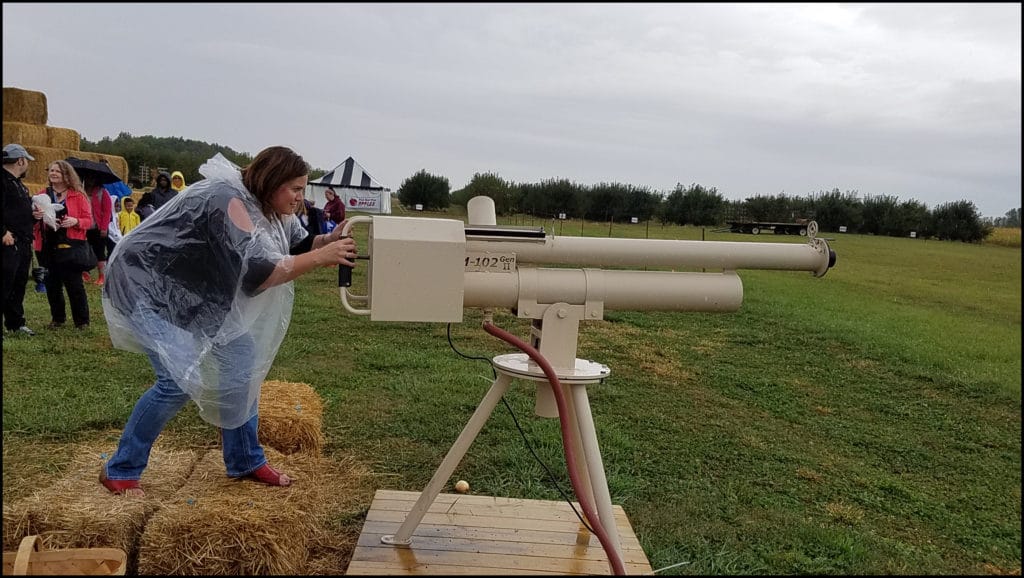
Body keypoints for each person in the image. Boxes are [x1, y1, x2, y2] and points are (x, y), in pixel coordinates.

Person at [100, 147, 358, 497]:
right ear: (271, 181)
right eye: (295, 189)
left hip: (194, 292)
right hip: (145, 285)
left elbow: (294, 243)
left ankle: (245, 459)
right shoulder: (228, 200)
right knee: (176, 382)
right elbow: (257, 272)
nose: (300, 198)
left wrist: (325, 241)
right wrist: (319, 258)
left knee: (240, 363)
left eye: (303, 189)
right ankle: (122, 469)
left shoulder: (267, 206)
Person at [32, 160, 93, 330]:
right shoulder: (42, 194)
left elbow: (89, 221)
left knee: (74, 284)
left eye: (57, 171)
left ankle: (82, 321)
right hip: (46, 244)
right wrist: (37, 216)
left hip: (70, 245)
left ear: (66, 174)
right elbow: (32, 220)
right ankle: (58, 318)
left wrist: (76, 221)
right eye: (51, 170)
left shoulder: (78, 195)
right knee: (52, 283)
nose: (53, 173)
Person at [2, 143, 37, 337]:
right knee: (5, 283)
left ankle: (15, 322)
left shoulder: (18, 184)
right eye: (26, 162)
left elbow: (18, 212)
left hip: (22, 241)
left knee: (18, 283)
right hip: (8, 241)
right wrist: (3, 232)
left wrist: (34, 217)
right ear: (20, 161)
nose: (27, 166)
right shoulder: (4, 181)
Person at [83, 177, 112, 285]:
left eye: (92, 179)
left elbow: (107, 211)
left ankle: (102, 276)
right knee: (84, 251)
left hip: (98, 228)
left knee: (99, 252)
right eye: (88, 178)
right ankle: (85, 273)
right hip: (84, 227)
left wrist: (104, 228)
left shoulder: (102, 192)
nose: (90, 181)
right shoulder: (81, 191)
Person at [292, 188, 325, 254]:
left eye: (302, 192)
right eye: (294, 190)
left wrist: (329, 238)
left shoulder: (291, 219)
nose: (300, 198)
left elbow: (302, 242)